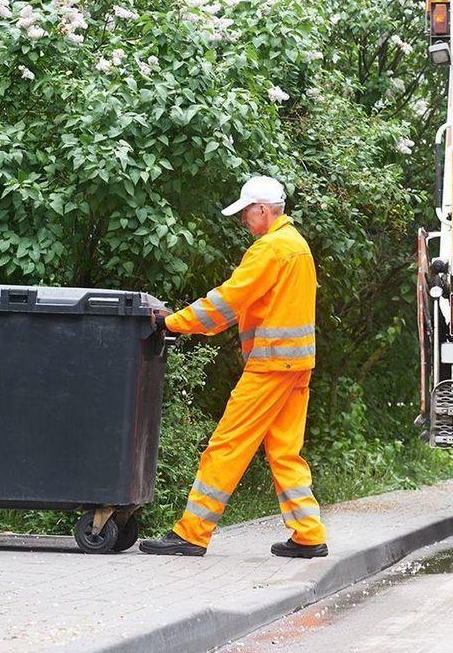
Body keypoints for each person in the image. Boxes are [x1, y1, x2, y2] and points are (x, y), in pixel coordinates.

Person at [140, 175, 328, 558]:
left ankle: (192, 532)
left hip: (271, 366)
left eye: (246, 211)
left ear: (262, 209)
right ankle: (308, 534)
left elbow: (228, 301)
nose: (243, 219)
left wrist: (172, 322)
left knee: (227, 445)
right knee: (284, 451)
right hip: (297, 365)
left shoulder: (270, 249)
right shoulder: (298, 246)